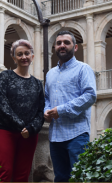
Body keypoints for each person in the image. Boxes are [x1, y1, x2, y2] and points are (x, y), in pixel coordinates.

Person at [44, 30, 96, 182]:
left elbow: (90, 96)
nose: (62, 46)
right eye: (59, 43)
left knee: (80, 177)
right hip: (55, 136)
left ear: (75, 47)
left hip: (77, 134)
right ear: (54, 47)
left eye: (66, 43)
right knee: (60, 178)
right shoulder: (50, 74)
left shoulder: (83, 69)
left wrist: (61, 110)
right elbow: (47, 98)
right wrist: (45, 111)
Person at [0, 39, 45, 182]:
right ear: (14, 58)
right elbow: (1, 102)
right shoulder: (6, 76)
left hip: (29, 134)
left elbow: (41, 110)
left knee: (23, 175)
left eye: (27, 53)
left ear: (32, 57)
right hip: (6, 130)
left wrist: (31, 128)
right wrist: (21, 124)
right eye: (20, 54)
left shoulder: (37, 83)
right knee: (4, 171)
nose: (24, 57)